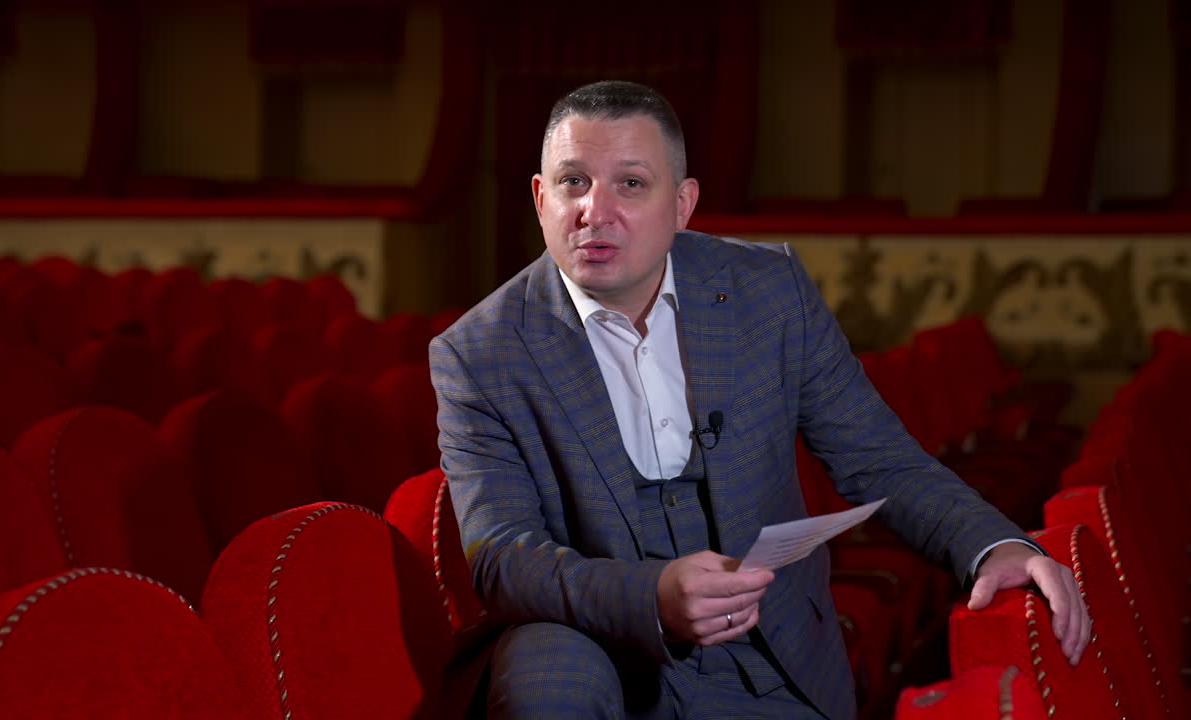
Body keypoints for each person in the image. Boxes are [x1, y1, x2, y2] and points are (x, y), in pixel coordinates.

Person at [429, 80, 1089, 719]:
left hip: (770, 655)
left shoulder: (768, 291)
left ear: (683, 204)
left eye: (630, 183)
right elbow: (502, 555)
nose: (594, 211)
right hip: (601, 657)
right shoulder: (476, 353)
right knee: (544, 667)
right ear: (541, 198)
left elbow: (878, 457)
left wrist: (993, 546)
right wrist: (651, 598)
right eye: (573, 182)